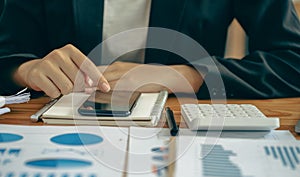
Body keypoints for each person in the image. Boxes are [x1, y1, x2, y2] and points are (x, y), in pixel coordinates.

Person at [0, 0, 299, 99]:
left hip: (180, 132)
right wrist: (25, 70)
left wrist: (185, 76)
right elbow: (7, 53)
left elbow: (293, 61)